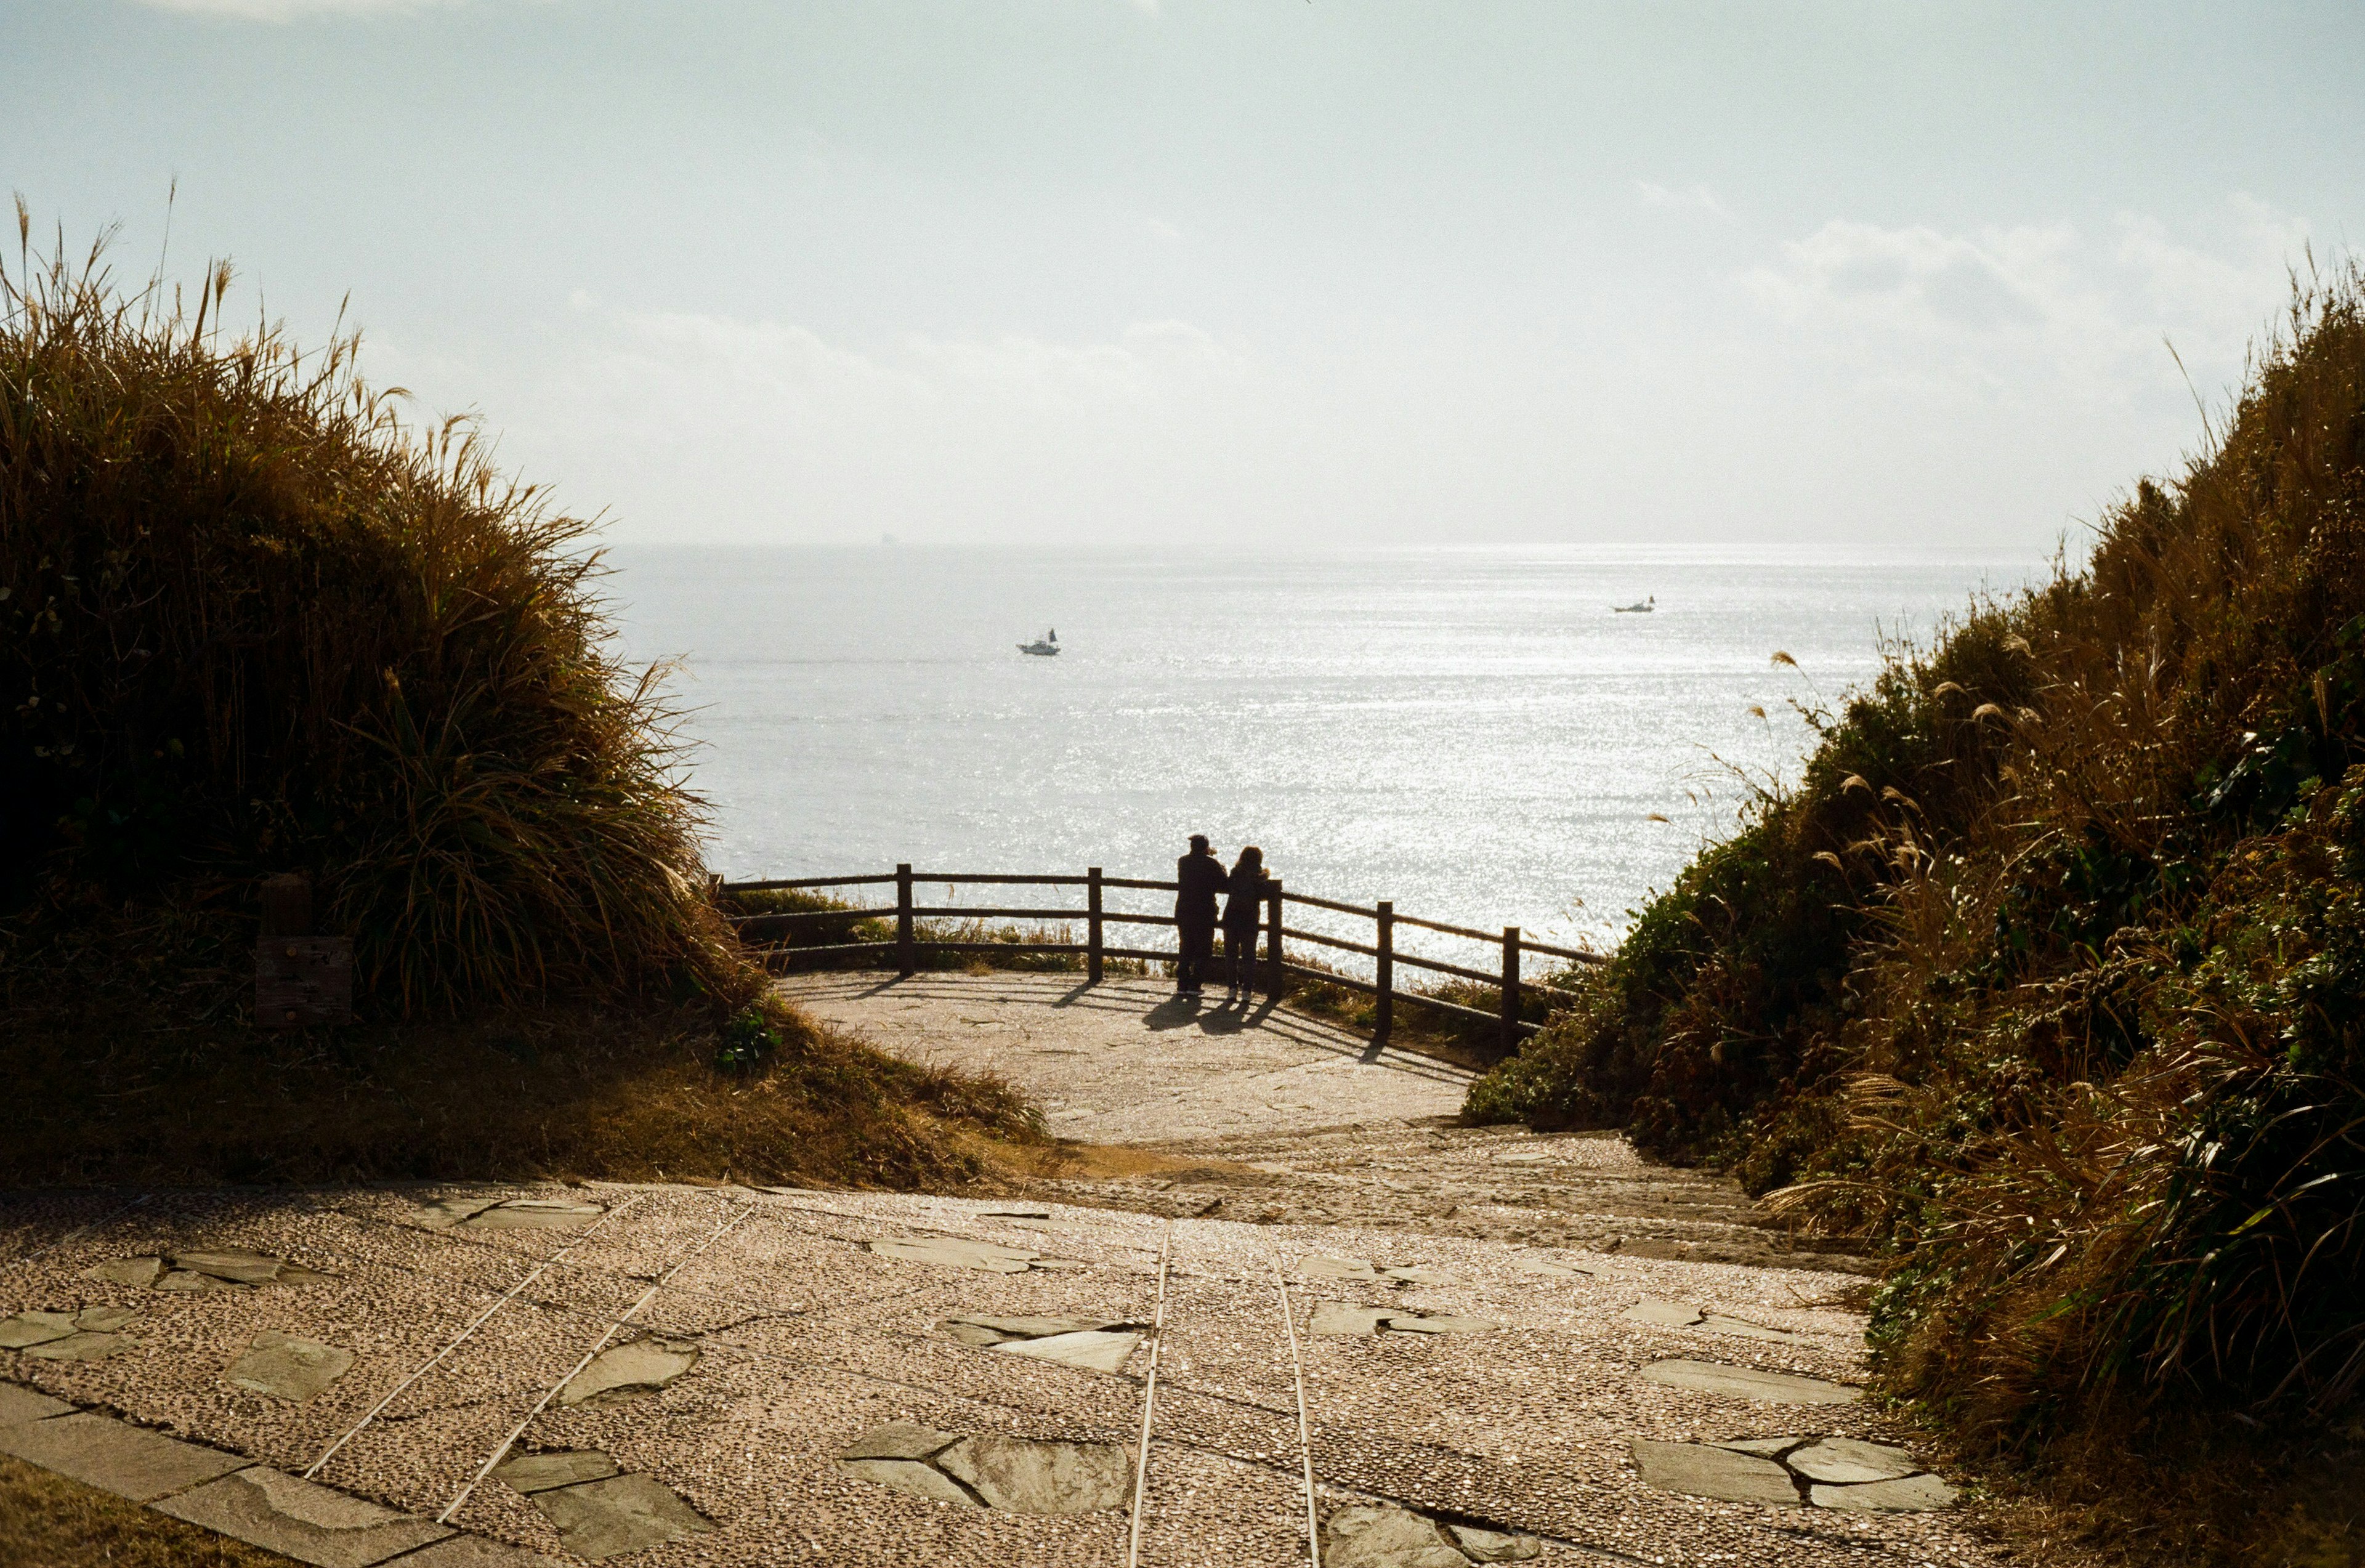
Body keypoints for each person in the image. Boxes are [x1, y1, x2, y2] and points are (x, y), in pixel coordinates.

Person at [1173, 833, 1225, 995]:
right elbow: (1224, 881)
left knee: (1186, 946)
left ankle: (1182, 984)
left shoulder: (1183, 862)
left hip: (1184, 910)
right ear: (1206, 848)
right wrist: (1218, 862)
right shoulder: (1211, 863)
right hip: (1204, 912)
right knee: (1203, 949)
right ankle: (1195, 985)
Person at [1221, 846, 1267, 1001]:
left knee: (1231, 956)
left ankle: (1232, 990)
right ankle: (1247, 992)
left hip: (1231, 918)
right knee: (1249, 957)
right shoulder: (1259, 877)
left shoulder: (1235, 873)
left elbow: (1227, 885)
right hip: (1249, 919)